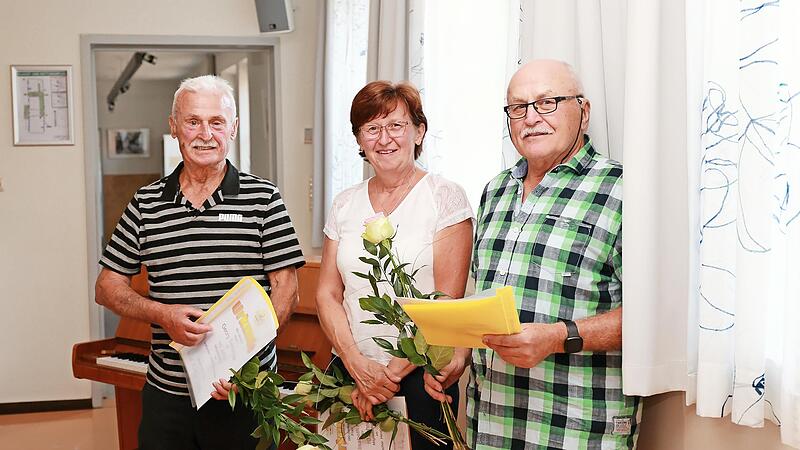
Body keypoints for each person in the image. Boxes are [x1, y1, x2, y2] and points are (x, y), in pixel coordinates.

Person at [424, 60, 641, 449]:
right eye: (518, 107)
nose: (531, 118)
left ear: (584, 111)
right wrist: (457, 356)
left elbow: (655, 317)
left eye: (547, 102)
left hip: (574, 428)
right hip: (490, 424)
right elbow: (485, 300)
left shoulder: (625, 190)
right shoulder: (496, 191)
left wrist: (559, 337)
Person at [95, 75, 305, 450]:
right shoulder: (145, 203)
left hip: (244, 392)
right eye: (193, 122)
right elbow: (107, 287)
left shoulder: (265, 199)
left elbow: (286, 291)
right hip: (167, 396)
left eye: (217, 122)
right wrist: (162, 315)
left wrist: (244, 369)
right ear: (174, 126)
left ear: (233, 128)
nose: (205, 134)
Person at [315, 81, 474, 449]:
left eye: (396, 126)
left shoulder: (444, 197)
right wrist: (356, 364)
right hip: (349, 374)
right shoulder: (344, 203)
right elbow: (327, 292)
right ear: (359, 140)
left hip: (418, 378)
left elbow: (444, 304)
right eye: (372, 128)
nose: (384, 138)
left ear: (419, 131)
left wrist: (385, 377)